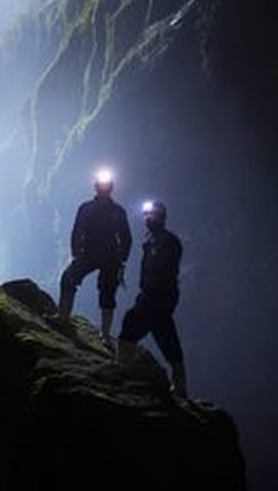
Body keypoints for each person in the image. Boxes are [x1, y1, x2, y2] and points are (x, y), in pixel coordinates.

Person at [117, 199, 187, 397]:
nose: (148, 217)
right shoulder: (149, 243)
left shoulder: (169, 241)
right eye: (146, 214)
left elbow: (167, 271)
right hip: (152, 295)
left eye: (152, 214)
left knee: (131, 326)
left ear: (162, 217)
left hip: (159, 296)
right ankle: (179, 386)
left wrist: (152, 294)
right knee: (166, 336)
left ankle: (126, 370)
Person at [58, 168, 132, 340]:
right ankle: (63, 318)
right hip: (90, 254)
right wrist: (76, 253)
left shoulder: (116, 211)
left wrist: (121, 260)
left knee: (107, 293)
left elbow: (126, 237)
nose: (104, 187)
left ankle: (104, 335)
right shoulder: (89, 208)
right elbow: (77, 231)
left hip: (108, 257)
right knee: (68, 277)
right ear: (97, 186)